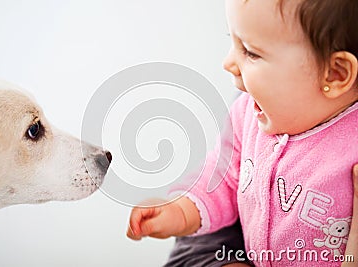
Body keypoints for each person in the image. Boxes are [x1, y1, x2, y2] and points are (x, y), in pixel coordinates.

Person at [127, 0, 358, 266]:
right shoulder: (248, 114)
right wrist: (181, 211)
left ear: (335, 73)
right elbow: (223, 177)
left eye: (250, 52)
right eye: (233, 41)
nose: (228, 63)